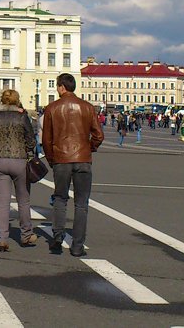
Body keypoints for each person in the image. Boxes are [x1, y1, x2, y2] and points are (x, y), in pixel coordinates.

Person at [41, 73, 104, 257]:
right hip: (83, 159)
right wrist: (88, 148)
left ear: (61, 87)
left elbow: (46, 140)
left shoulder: (52, 108)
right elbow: (99, 135)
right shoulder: (87, 107)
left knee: (60, 199)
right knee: (81, 203)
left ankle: (58, 239)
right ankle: (77, 246)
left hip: (61, 159)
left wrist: (52, 158)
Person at [0, 89, 37, 252]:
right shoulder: (22, 117)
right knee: (23, 200)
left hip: (0, 160)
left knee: (3, 202)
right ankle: (26, 234)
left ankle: (2, 238)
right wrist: (27, 149)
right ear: (17, 101)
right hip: (19, 160)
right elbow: (31, 140)